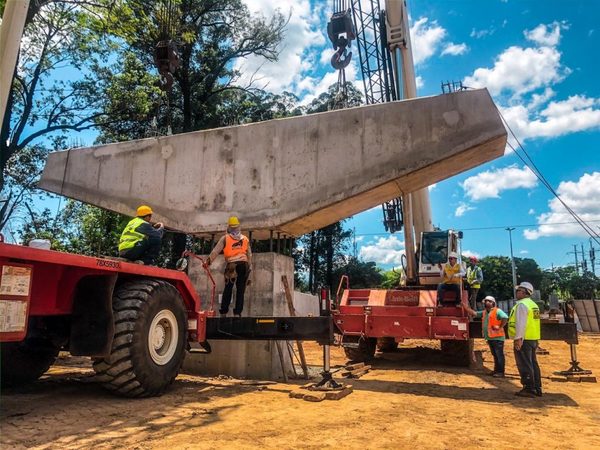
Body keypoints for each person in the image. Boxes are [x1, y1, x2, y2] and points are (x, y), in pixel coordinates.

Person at [206, 216, 252, 317]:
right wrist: (249, 269)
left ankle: (224, 312)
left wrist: (208, 262)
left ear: (229, 227)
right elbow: (249, 255)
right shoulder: (245, 239)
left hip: (232, 265)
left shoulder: (225, 238)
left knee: (228, 288)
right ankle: (237, 313)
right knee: (240, 290)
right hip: (243, 265)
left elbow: (215, 251)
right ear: (238, 226)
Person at [508, 281, 542, 398]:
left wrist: (518, 339)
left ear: (524, 292)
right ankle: (537, 387)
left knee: (524, 364)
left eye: (518, 291)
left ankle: (529, 388)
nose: (517, 293)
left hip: (524, 339)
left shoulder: (522, 305)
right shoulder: (533, 305)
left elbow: (521, 324)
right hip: (532, 338)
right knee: (533, 363)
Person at [462, 295, 508, 377]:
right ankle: (496, 371)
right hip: (490, 337)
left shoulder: (497, 311)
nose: (487, 302)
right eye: (486, 301)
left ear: (493, 303)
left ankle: (500, 372)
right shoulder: (484, 312)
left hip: (498, 338)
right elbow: (474, 313)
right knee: (495, 355)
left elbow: (505, 317)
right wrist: (465, 307)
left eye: (489, 301)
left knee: (499, 355)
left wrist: (500, 326)